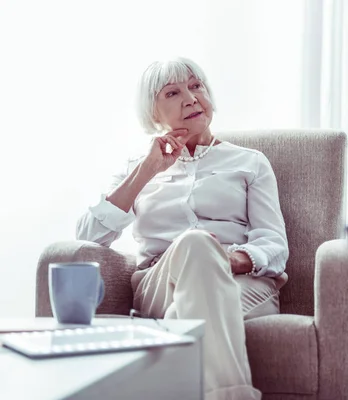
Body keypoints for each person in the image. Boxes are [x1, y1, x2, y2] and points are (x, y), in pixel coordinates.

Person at [76, 56, 289, 400]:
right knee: (193, 245)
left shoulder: (250, 162)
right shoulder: (138, 168)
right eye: (172, 93)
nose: (190, 98)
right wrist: (147, 171)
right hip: (160, 282)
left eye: (196, 86)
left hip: (243, 281)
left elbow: (274, 243)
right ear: (153, 114)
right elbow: (87, 239)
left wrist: (231, 260)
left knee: (184, 311)